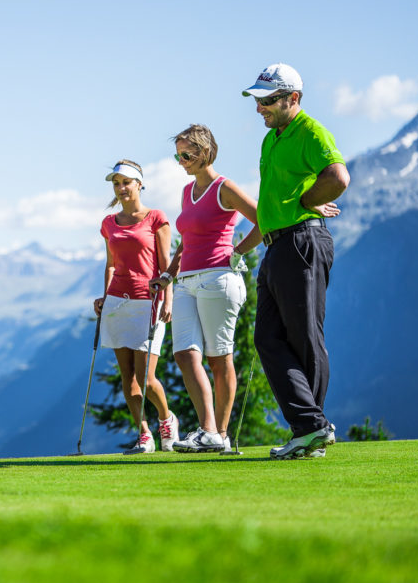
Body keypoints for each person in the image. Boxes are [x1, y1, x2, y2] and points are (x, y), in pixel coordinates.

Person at [240, 63, 349, 459]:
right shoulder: (272, 139)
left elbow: (338, 176)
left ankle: (309, 430)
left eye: (267, 101)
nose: (260, 109)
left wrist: (308, 201)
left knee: (304, 337)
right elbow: (275, 200)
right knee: (267, 338)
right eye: (258, 101)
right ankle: (310, 428)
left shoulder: (311, 131)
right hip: (277, 246)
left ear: (293, 99)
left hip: (302, 241)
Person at [148, 125, 262, 453]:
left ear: (205, 151)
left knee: (218, 357)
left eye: (187, 154)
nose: (181, 160)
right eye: (178, 155)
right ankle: (208, 430)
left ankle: (220, 434)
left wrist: (238, 251)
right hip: (186, 282)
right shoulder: (187, 192)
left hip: (219, 280)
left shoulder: (224, 188)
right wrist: (169, 275)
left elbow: (262, 218)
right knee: (185, 355)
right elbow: (187, 243)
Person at [94, 160, 179, 455]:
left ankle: (166, 419)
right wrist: (104, 298)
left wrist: (168, 299)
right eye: (116, 184)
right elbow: (110, 265)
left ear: (139, 184)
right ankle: (144, 435)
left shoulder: (156, 218)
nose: (121, 188)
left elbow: (166, 265)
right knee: (128, 379)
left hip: (150, 302)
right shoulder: (108, 224)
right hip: (118, 303)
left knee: (146, 377)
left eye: (126, 182)